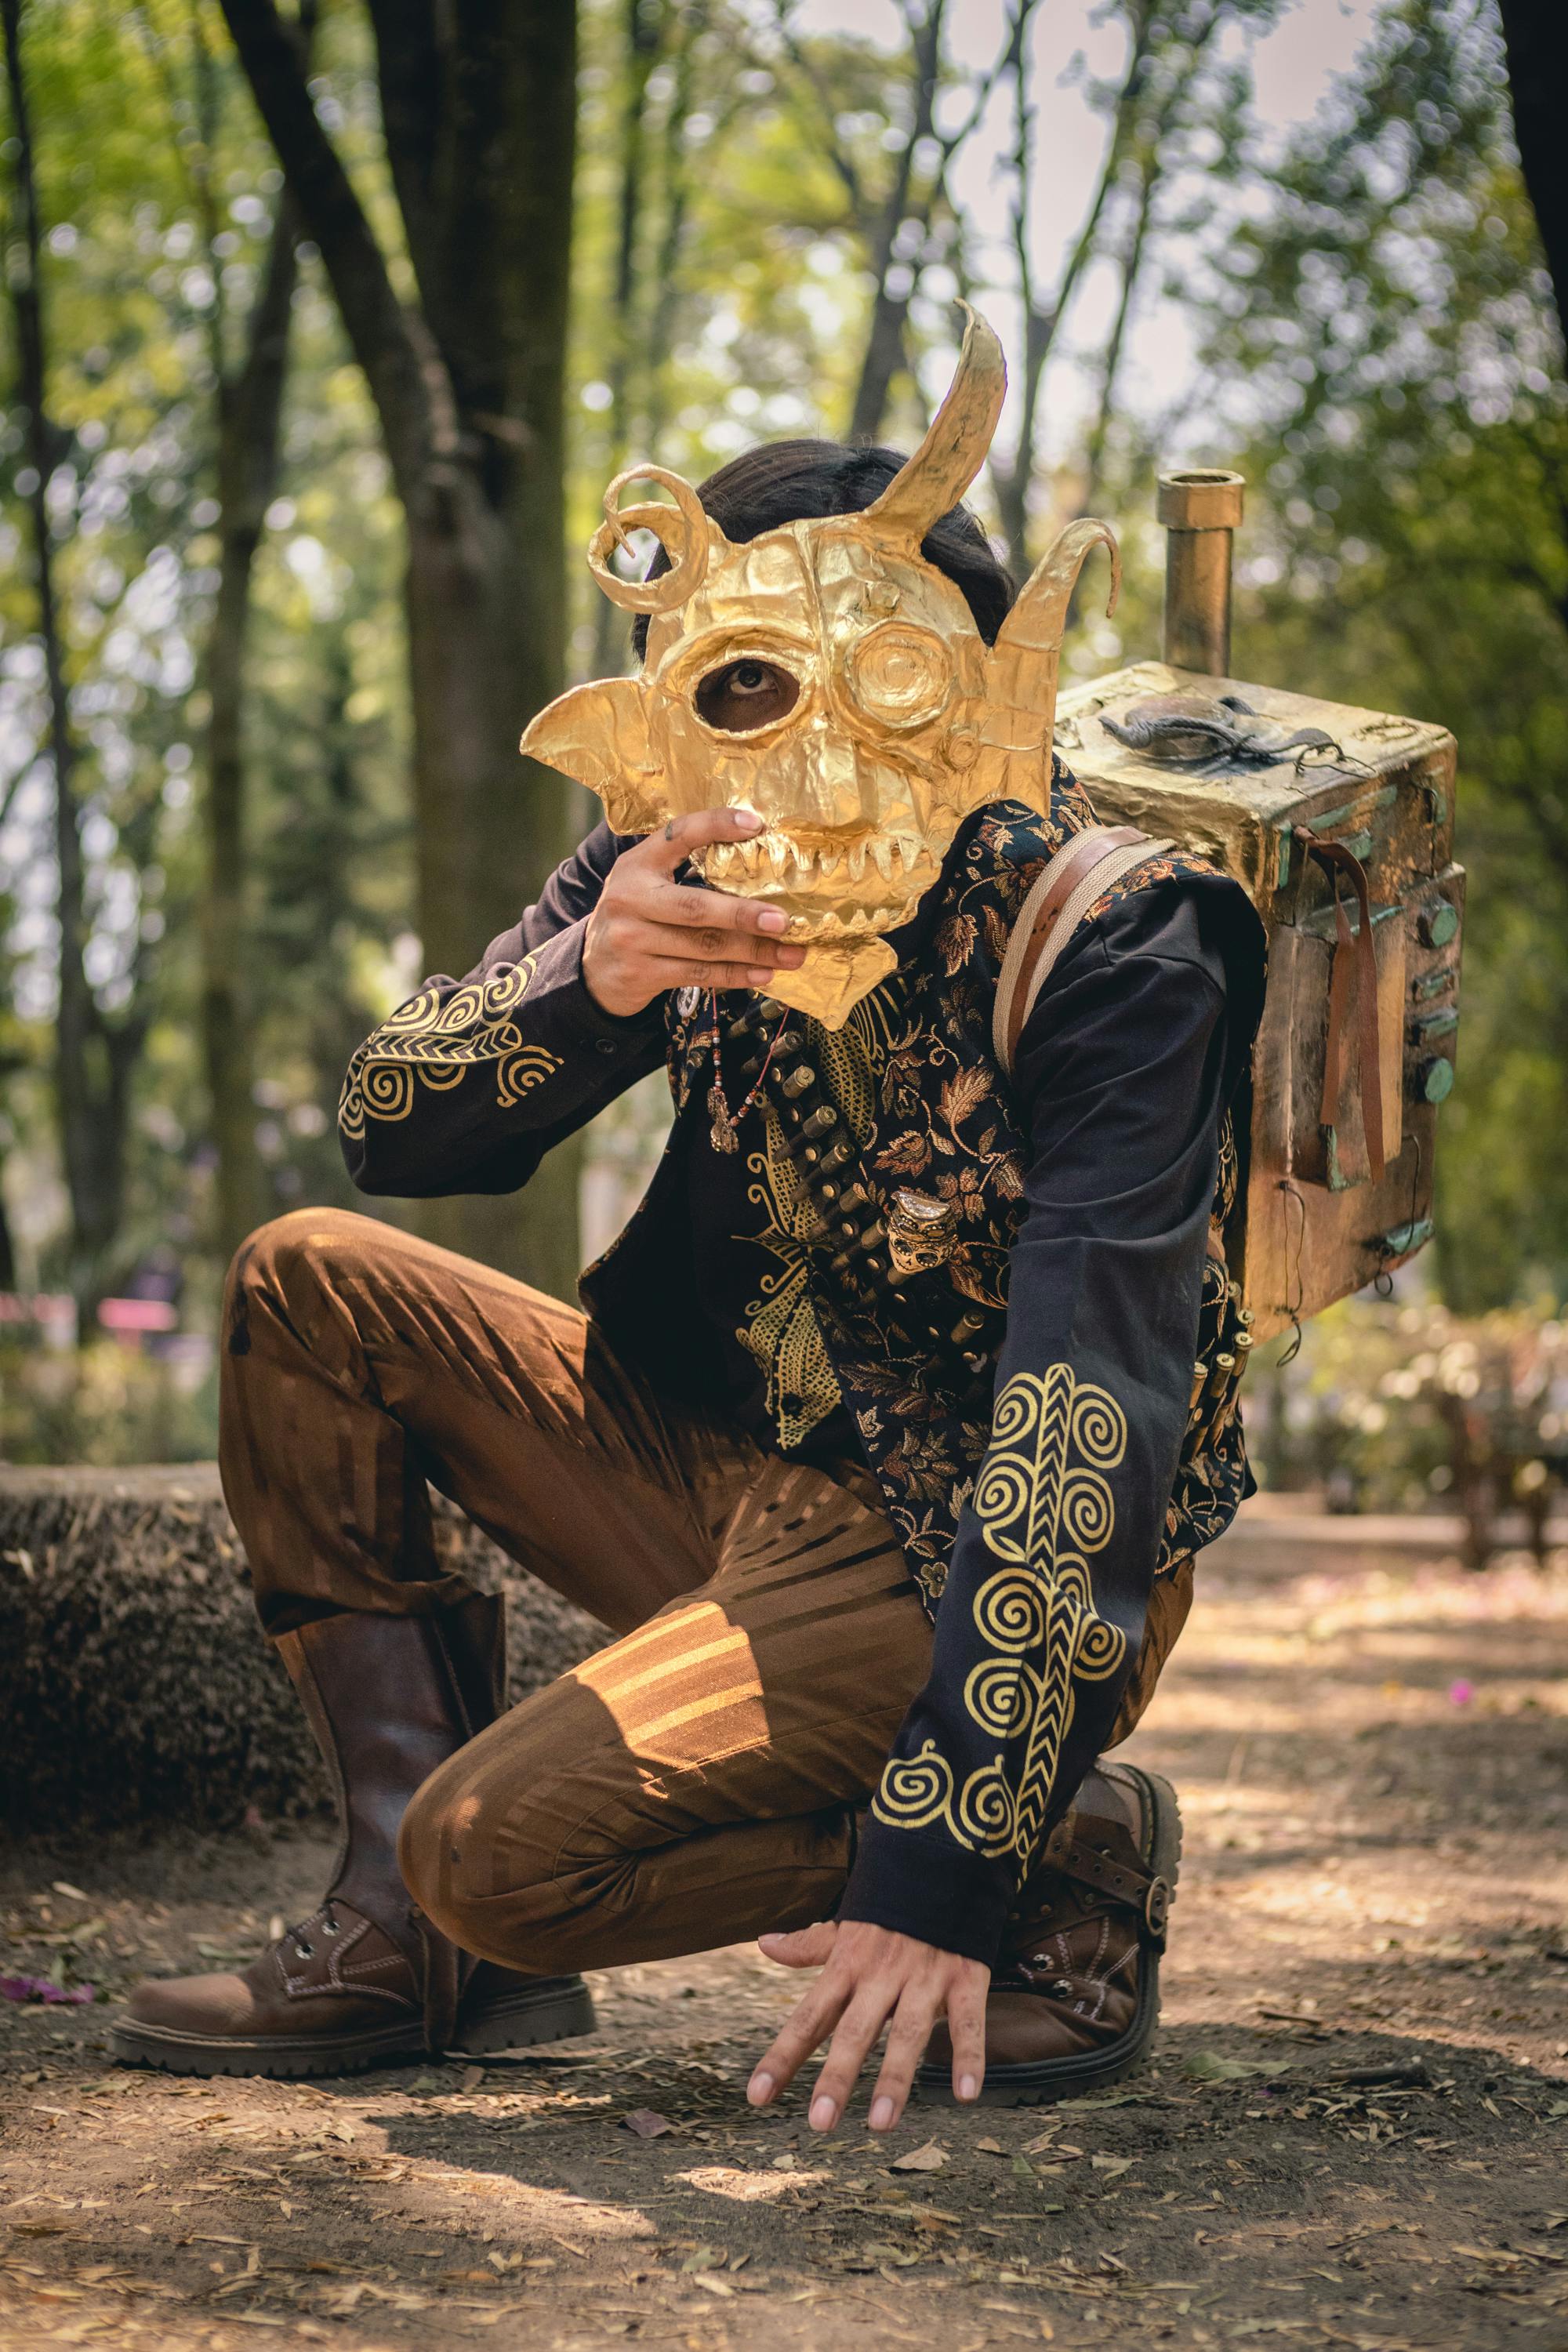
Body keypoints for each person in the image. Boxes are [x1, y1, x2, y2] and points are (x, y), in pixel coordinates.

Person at [116, 313, 1265, 2124]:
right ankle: (410, 1947)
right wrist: (589, 980)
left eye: (864, 684)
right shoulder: (671, 853)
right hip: (713, 1464)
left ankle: (1062, 1851)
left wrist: (941, 1866)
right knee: (303, 1285)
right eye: (738, 687)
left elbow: (1085, 1406)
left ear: (964, 679)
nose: (794, 758)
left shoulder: (1114, 934)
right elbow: (390, 1130)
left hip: (958, 1536)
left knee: (494, 1851)